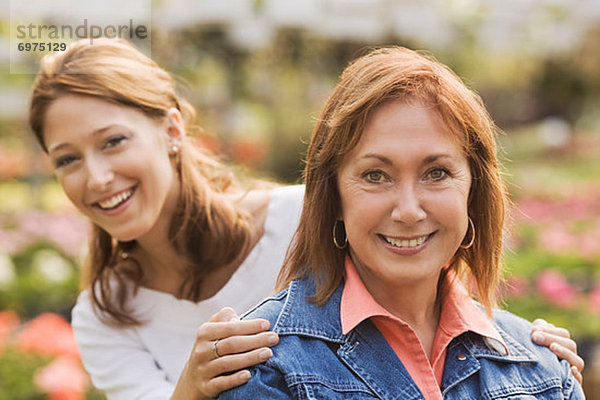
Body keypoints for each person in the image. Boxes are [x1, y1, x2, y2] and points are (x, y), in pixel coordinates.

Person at [27, 39, 583, 400]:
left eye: (113, 142)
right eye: (68, 159)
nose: (96, 177)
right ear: (336, 200)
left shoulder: (296, 214)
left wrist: (527, 354)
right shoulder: (107, 314)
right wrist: (190, 394)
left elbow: (425, 283)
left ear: (172, 131)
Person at [218, 47, 585, 399]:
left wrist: (550, 373)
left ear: (473, 191)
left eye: (436, 173)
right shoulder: (262, 367)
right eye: (376, 175)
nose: (408, 211)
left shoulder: (543, 374)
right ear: (335, 197)